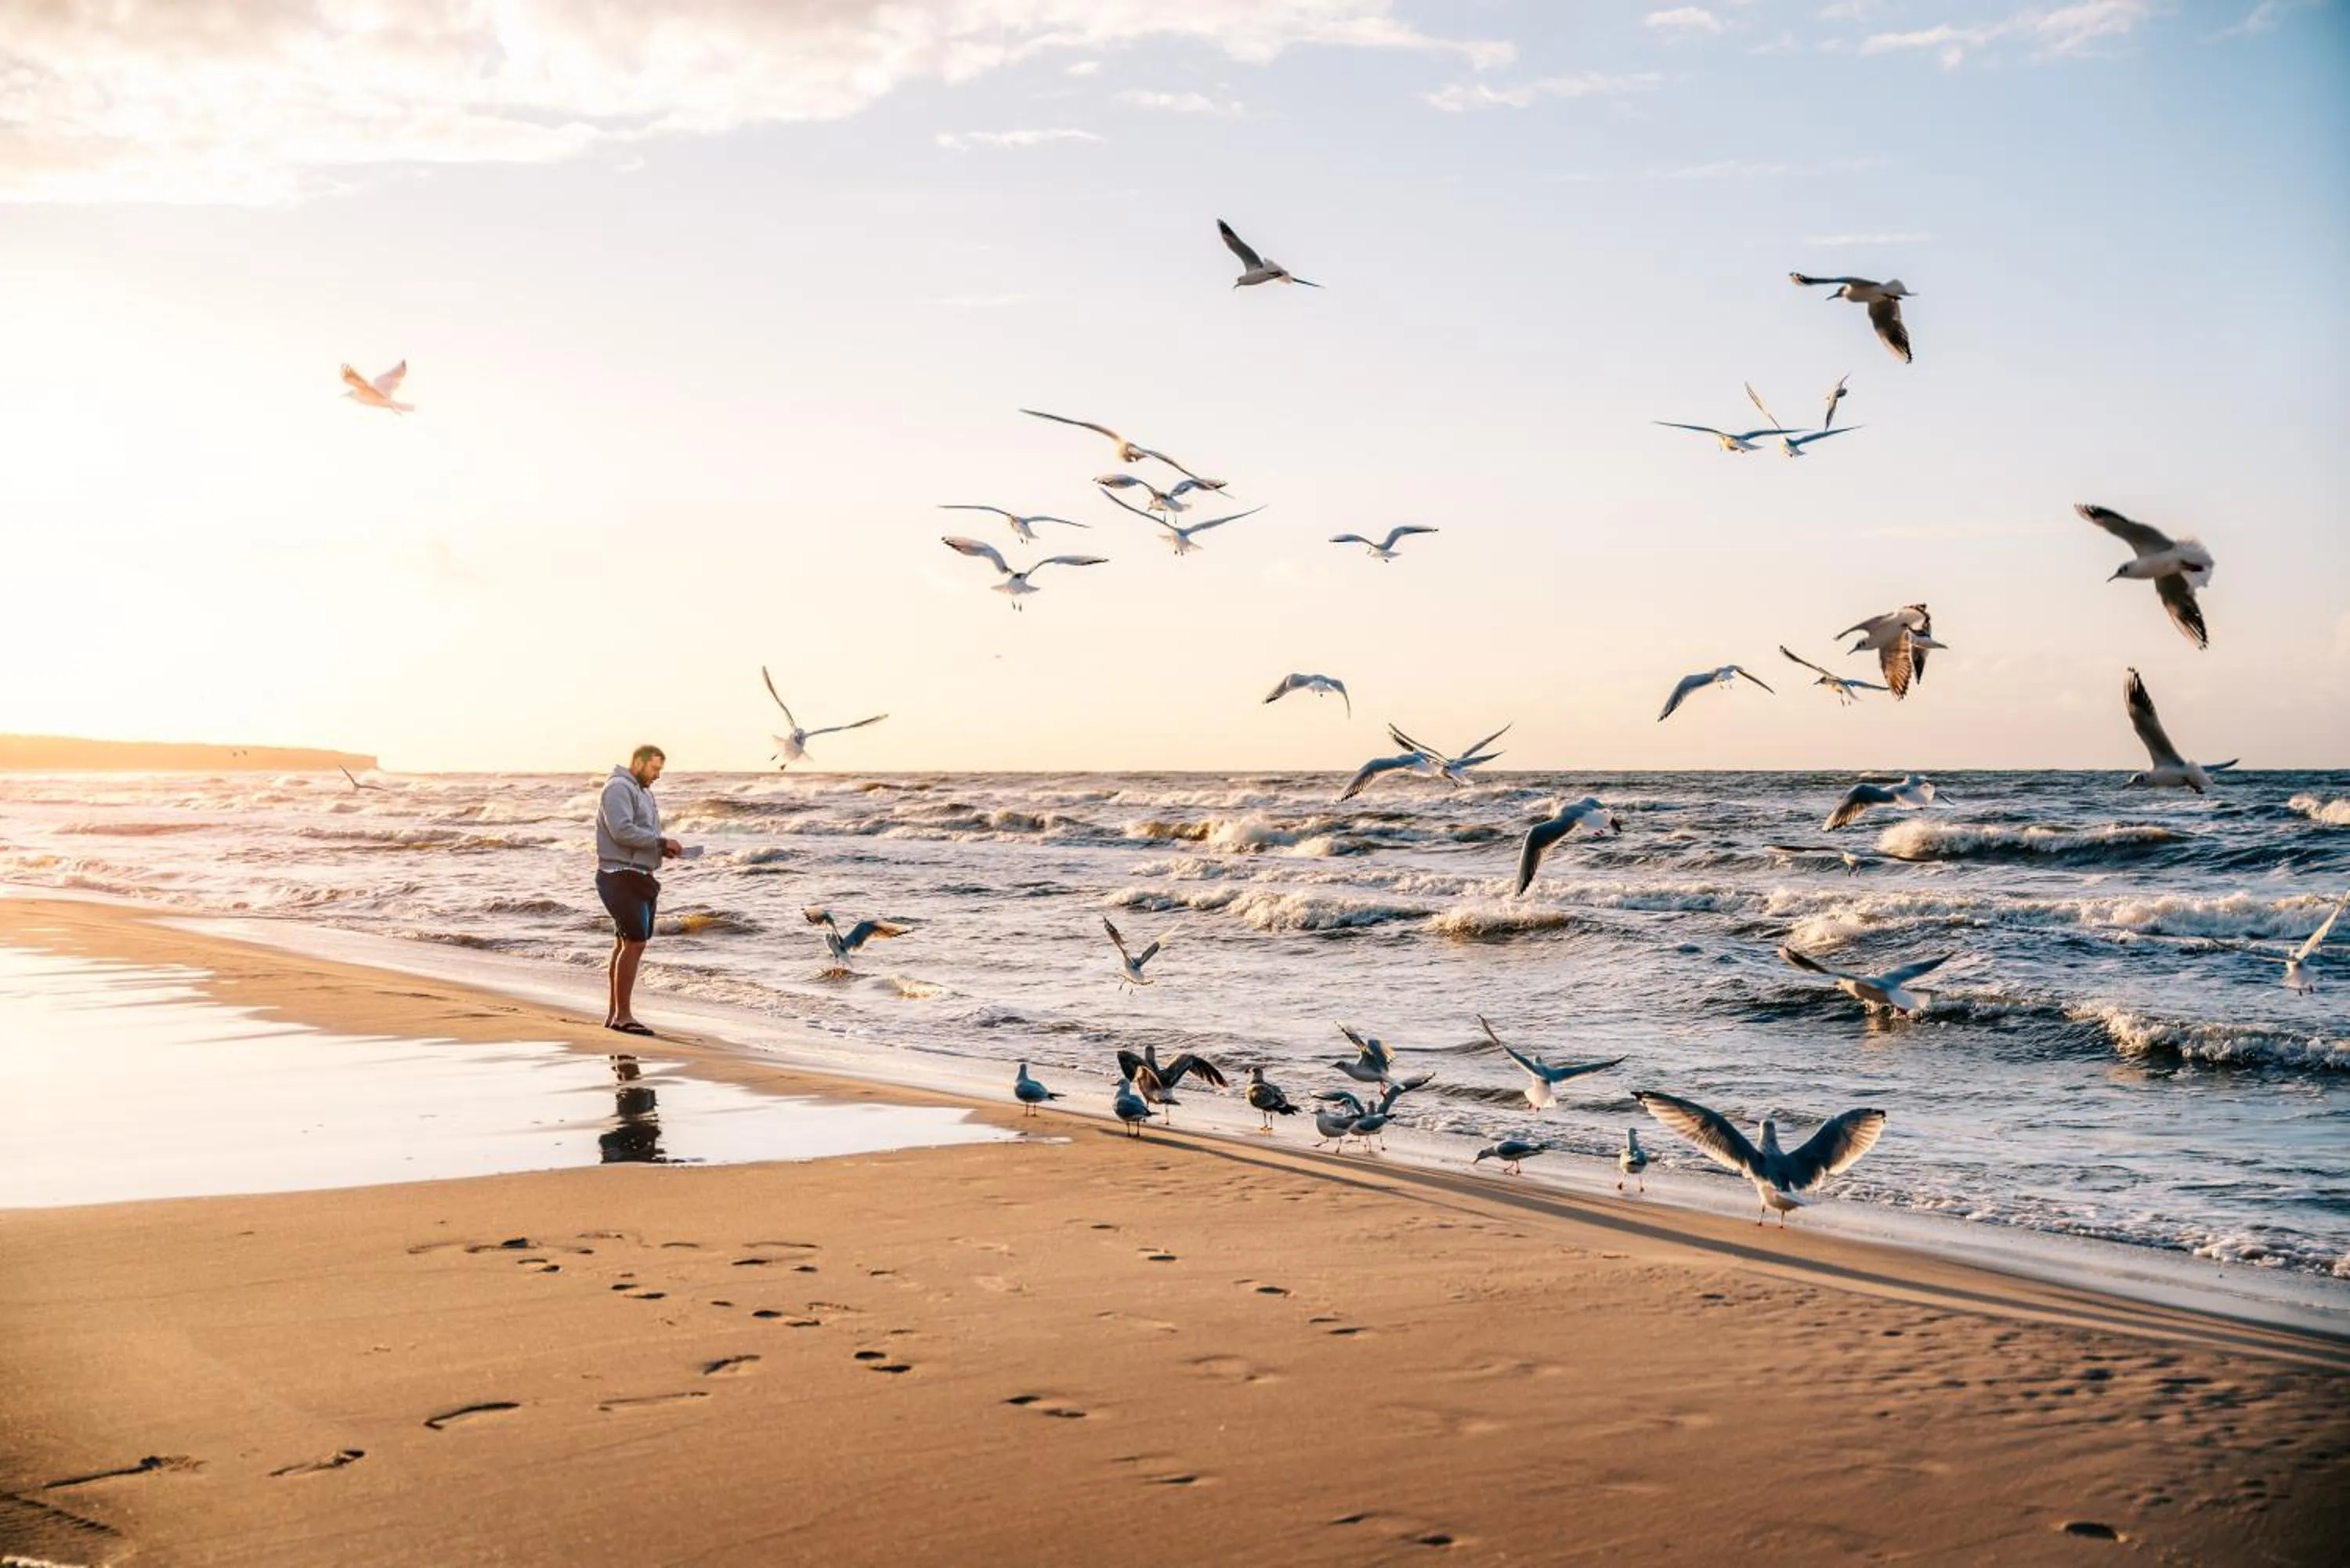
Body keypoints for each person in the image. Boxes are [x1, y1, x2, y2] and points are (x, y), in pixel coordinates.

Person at [595, 744, 681, 1035]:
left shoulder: (642, 791)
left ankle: (614, 1014)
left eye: (660, 770)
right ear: (639, 762)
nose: (657, 775)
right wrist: (660, 843)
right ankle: (623, 1016)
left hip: (638, 874)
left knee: (625, 943)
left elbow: (641, 834)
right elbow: (621, 830)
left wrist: (661, 849)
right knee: (635, 943)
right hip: (620, 875)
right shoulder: (619, 788)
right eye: (654, 768)